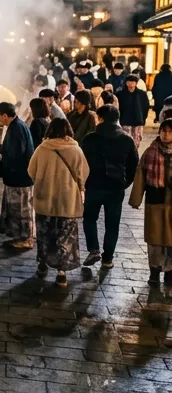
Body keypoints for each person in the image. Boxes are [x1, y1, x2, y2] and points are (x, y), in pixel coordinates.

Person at [26, 117, 89, 286]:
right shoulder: (75, 149)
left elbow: (31, 171)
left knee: (45, 234)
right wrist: (79, 187)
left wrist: (42, 180)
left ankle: (42, 265)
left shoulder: (42, 148)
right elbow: (83, 174)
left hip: (45, 200)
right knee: (65, 236)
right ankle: (61, 273)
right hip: (68, 202)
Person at [81, 104, 139, 269]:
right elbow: (134, 166)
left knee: (89, 219)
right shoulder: (127, 139)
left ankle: (94, 249)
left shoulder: (89, 139)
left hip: (93, 185)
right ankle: (108, 259)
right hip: (116, 187)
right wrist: (124, 183)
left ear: (100, 118)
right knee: (112, 224)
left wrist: (84, 182)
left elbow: (81, 164)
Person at [0, 101, 36, 249]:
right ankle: (18, 237)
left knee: (22, 211)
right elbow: (11, 149)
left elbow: (15, 155)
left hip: (20, 177)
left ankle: (26, 239)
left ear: (5, 115)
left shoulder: (17, 128)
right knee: (16, 210)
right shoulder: (16, 126)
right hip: (18, 177)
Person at [131, 118, 172, 285]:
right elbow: (140, 175)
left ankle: (170, 272)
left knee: (170, 240)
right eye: (163, 131)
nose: (166, 135)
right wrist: (136, 199)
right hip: (155, 200)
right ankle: (154, 272)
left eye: (170, 132)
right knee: (155, 239)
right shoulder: (150, 152)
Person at [116, 72, 149, 147]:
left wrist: (143, 118)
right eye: (129, 82)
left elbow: (146, 107)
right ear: (126, 83)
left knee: (136, 142)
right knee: (125, 141)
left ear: (136, 83)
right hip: (125, 121)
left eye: (133, 82)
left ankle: (134, 154)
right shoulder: (120, 94)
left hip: (138, 121)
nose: (130, 84)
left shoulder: (142, 94)